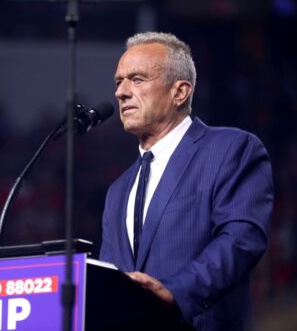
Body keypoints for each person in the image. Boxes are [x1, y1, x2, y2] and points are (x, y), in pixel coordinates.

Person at [99, 32, 273, 331]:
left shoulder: (231, 148)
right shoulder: (118, 191)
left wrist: (176, 291)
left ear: (179, 92)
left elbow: (242, 238)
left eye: (137, 79)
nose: (121, 92)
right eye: (118, 82)